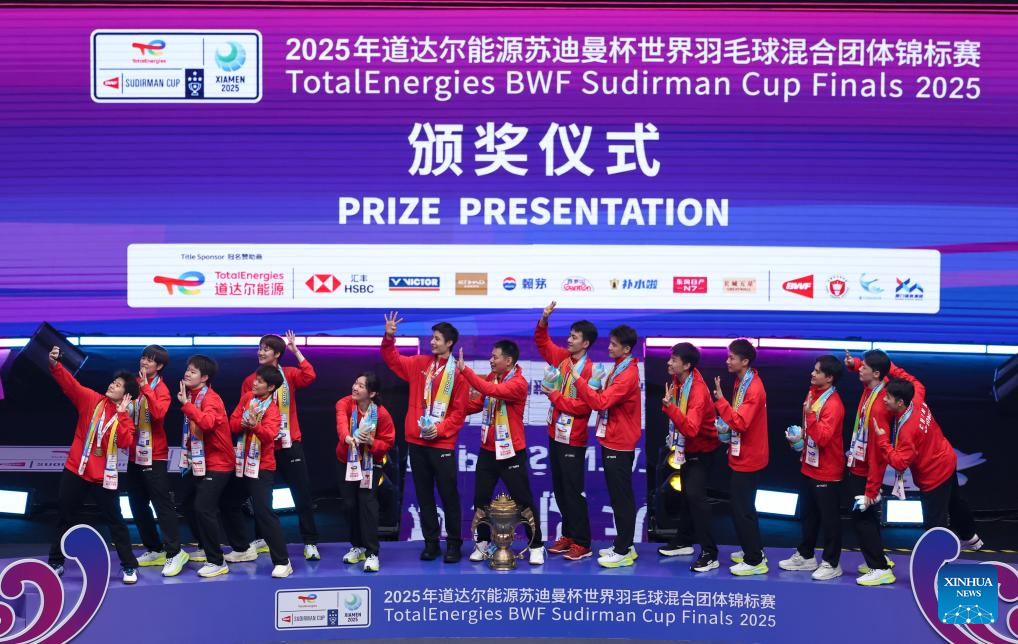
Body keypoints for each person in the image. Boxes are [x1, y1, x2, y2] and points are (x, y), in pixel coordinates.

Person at [46, 346, 141, 584]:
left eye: (118, 385)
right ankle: (56, 562)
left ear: (127, 396)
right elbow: (71, 385)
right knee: (64, 516)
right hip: (76, 469)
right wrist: (56, 365)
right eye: (113, 382)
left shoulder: (125, 418)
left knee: (116, 522)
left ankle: (130, 566)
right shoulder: (92, 400)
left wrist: (122, 414)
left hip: (103, 477)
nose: (112, 386)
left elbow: (126, 443)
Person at [381, 312, 469, 562]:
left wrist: (439, 430)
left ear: (449, 343)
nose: (432, 342)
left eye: (437, 339)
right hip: (417, 441)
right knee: (424, 495)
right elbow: (392, 359)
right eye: (432, 337)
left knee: (449, 495)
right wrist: (389, 337)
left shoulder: (459, 373)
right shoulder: (420, 364)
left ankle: (453, 544)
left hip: (442, 443)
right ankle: (431, 543)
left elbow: (459, 412)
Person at [460, 341, 545, 565]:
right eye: (491, 356)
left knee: (523, 501)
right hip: (488, 450)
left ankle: (536, 545)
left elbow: (492, 392)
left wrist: (465, 370)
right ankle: (483, 542)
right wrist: (454, 408)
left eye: (495, 357)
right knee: (481, 500)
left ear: (508, 361)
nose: (491, 360)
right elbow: (479, 403)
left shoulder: (518, 383)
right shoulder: (492, 377)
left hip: (511, 452)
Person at [873, 379, 982, 551]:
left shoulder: (908, 431)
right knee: (954, 502)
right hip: (946, 459)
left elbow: (900, 463)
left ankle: (938, 561)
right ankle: (970, 538)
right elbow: (917, 383)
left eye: (888, 397)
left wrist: (882, 441)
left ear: (900, 402)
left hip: (935, 474)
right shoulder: (915, 398)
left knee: (934, 522)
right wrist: (891, 368)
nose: (884, 400)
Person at [843, 349, 921, 586]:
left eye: (863, 367)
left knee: (862, 518)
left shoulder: (879, 407)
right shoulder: (875, 387)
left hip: (865, 470)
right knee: (867, 517)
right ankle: (879, 558)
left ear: (876, 373)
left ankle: (879, 568)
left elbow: (878, 457)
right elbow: (870, 369)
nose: (860, 369)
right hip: (858, 462)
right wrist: (853, 363)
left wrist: (870, 491)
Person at [240, 331, 320, 561]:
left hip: (288, 442)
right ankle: (262, 539)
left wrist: (295, 350)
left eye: (266, 349)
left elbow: (310, 375)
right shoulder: (251, 380)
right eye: (259, 347)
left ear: (277, 354)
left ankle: (310, 541)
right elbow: (244, 409)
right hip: (262, 444)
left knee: (301, 493)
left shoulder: (290, 375)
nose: (260, 352)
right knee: (261, 497)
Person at [572, 325, 642, 568]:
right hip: (612, 438)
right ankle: (626, 545)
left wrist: (579, 381)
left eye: (614, 344)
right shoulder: (620, 366)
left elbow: (601, 402)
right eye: (610, 343)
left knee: (621, 498)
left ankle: (623, 550)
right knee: (618, 496)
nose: (609, 347)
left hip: (620, 442)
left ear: (626, 348)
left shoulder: (627, 373)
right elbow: (608, 398)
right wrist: (597, 386)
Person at [535, 301, 596, 561]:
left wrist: (555, 397)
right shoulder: (562, 359)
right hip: (555, 433)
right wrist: (544, 319)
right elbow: (542, 342)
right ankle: (569, 535)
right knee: (560, 489)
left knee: (573, 490)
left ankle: (583, 542)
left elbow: (584, 407)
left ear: (586, 343)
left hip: (574, 438)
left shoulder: (592, 370)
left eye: (574, 337)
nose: (569, 340)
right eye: (570, 335)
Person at [779, 355, 846, 581]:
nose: (812, 373)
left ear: (829, 377)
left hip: (827, 471)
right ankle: (807, 555)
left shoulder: (834, 405)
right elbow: (811, 429)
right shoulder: (812, 392)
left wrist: (809, 415)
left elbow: (824, 438)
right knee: (808, 515)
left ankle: (832, 563)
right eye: (813, 369)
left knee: (829, 520)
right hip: (809, 465)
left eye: (817, 371)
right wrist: (799, 440)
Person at [175, 355, 241, 578]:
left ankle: (217, 561)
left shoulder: (210, 398)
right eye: (187, 369)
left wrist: (186, 405)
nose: (187, 373)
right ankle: (206, 547)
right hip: (200, 461)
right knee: (187, 503)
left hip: (219, 462)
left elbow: (207, 423)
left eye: (193, 371)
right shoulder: (193, 395)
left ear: (204, 378)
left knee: (203, 508)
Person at [659, 342, 721, 573]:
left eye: (674, 360)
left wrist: (669, 408)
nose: (669, 362)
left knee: (696, 498)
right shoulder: (679, 381)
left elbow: (692, 429)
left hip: (702, 451)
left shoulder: (697, 391)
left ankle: (710, 553)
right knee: (686, 494)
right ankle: (683, 541)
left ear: (686, 365)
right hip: (686, 449)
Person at [127, 344, 188, 577]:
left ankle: (175, 552)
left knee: (162, 505)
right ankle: (154, 549)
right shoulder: (134, 383)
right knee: (137, 504)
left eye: (150, 360)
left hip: (155, 455)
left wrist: (146, 389)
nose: (144, 362)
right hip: (133, 454)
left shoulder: (161, 389)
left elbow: (159, 414)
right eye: (143, 357)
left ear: (159, 366)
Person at [228, 365, 294, 578]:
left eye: (259, 381)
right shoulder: (248, 398)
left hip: (261, 467)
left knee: (264, 513)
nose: (254, 383)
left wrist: (254, 425)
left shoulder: (273, 410)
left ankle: (283, 562)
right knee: (228, 503)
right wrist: (243, 423)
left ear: (271, 387)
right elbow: (232, 423)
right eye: (255, 379)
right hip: (241, 462)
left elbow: (269, 436)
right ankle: (242, 549)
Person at [712, 338, 768, 576]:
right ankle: (754, 549)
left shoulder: (753, 388)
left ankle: (754, 560)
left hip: (749, 458)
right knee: (744, 507)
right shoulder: (742, 381)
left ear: (744, 361)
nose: (727, 361)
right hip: (742, 453)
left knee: (742, 509)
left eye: (731, 358)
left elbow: (741, 422)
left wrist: (720, 402)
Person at [336, 372, 396, 572]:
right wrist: (347, 438)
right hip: (346, 462)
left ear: (372, 393)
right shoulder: (344, 403)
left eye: (361, 386)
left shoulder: (382, 414)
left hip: (370, 465)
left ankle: (372, 554)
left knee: (367, 505)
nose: (355, 387)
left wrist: (371, 442)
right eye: (355, 383)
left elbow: (388, 443)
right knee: (349, 505)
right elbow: (341, 424)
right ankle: (358, 547)